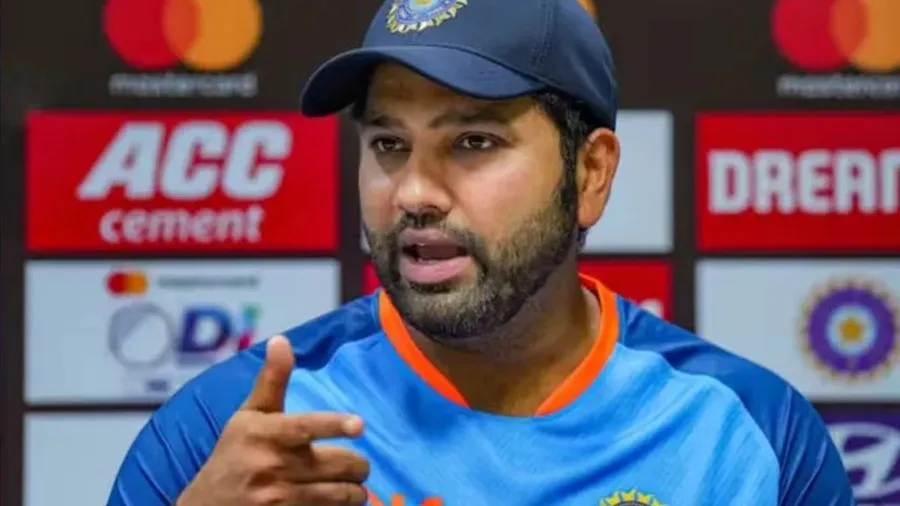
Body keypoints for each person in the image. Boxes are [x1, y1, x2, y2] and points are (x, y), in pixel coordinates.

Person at [106, 0, 855, 504]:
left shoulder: (748, 434)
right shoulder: (232, 432)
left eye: (473, 141)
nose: (413, 193)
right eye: (388, 144)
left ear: (591, 174)